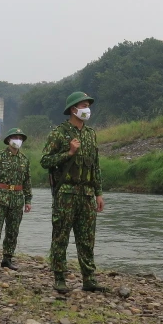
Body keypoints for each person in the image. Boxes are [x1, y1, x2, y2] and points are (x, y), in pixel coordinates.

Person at [40, 91, 106, 294]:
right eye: (83, 105)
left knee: (87, 238)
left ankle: (89, 279)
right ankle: (59, 278)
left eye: (88, 105)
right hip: (66, 192)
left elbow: (95, 166)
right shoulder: (59, 133)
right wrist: (68, 153)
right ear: (73, 109)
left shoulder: (90, 134)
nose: (87, 109)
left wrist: (98, 193)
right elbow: (45, 161)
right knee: (61, 237)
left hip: (86, 193)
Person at [0, 127, 32, 270]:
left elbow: (27, 181)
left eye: (20, 138)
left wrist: (28, 200)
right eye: (15, 137)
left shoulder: (24, 159)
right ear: (9, 140)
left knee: (13, 230)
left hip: (17, 198)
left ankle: (7, 258)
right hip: (0, 197)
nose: (18, 140)